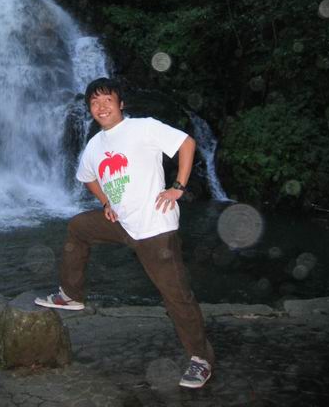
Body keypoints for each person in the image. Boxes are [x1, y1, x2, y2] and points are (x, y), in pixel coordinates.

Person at [35, 77, 214, 388]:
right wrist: (106, 201)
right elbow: (87, 177)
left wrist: (178, 187)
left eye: (107, 100)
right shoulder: (94, 145)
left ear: (120, 104)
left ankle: (200, 359)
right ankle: (71, 294)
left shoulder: (143, 127)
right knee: (78, 227)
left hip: (155, 227)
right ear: (90, 109)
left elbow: (187, 143)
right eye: (94, 102)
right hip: (121, 223)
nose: (101, 107)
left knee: (177, 297)